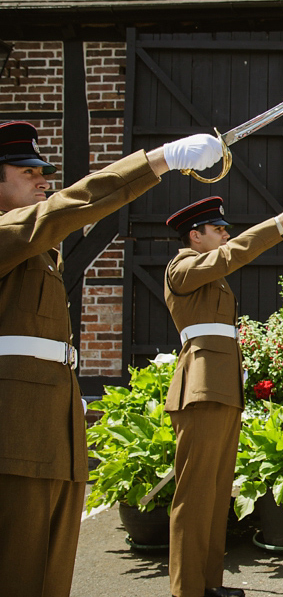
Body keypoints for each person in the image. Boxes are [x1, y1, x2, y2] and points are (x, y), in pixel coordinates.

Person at [0, 120, 223, 597]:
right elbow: (71, 205)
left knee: (51, 569)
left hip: (51, 423)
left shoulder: (35, 252)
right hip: (14, 430)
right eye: (26, 171)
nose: (43, 180)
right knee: (17, 566)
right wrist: (159, 160)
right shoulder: (7, 236)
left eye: (43, 171)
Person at [164, 195, 283, 597]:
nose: (225, 235)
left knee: (216, 494)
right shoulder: (181, 267)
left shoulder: (209, 274)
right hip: (199, 390)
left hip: (220, 388)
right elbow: (233, 254)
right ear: (195, 235)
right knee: (194, 495)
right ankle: (186, 591)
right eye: (217, 230)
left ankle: (208, 584)